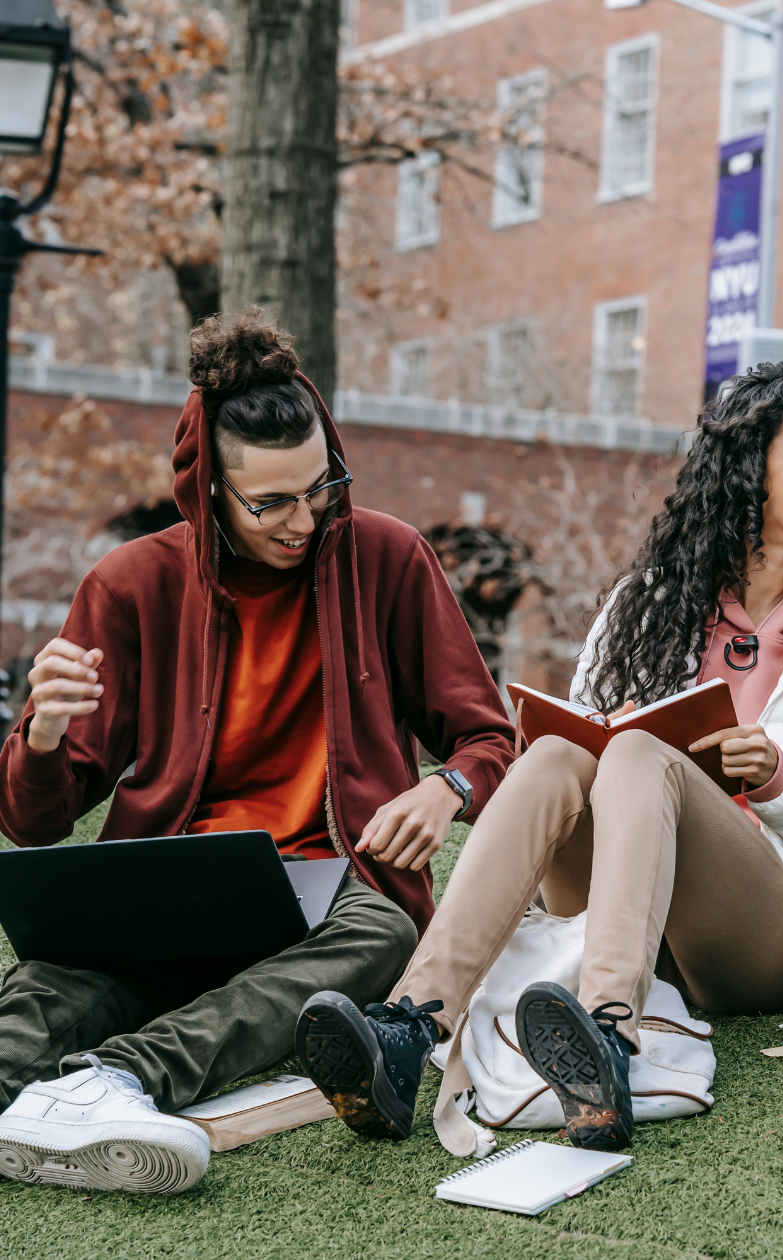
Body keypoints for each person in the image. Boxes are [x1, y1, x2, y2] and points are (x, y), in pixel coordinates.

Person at [298, 361, 783, 1155]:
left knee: (639, 755)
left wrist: (778, 777)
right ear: (749, 467)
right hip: (616, 906)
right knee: (566, 750)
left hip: (762, 932)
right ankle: (411, 1025)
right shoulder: (646, 606)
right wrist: (603, 735)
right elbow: (577, 761)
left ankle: (607, 1039)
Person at [0, 310, 517, 1194]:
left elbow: (488, 735)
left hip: (327, 895)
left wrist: (447, 791)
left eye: (320, 487)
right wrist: (41, 734)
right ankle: (39, 1100)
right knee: (39, 996)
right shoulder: (129, 587)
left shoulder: (388, 557)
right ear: (208, 491)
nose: (305, 519)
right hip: (163, 888)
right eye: (270, 501)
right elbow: (35, 820)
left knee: (384, 935)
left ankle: (112, 1082)